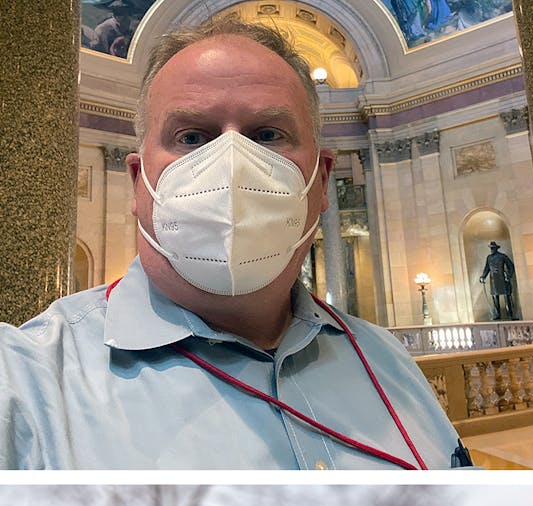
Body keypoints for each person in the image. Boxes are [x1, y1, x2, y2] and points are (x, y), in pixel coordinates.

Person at [0, 17, 469, 469]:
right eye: (190, 137)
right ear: (139, 184)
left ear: (322, 182)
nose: (231, 164)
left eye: (268, 135)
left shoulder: (389, 362)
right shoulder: (29, 383)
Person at [479, 242, 519, 321]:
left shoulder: (502, 256)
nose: (492, 249)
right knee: (495, 297)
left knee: (506, 296)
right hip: (494, 279)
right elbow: (487, 268)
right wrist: (483, 276)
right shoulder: (489, 258)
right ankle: (497, 315)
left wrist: (509, 275)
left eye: (493, 248)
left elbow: (511, 266)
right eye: (491, 248)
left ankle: (509, 314)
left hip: (502, 278)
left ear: (496, 248)